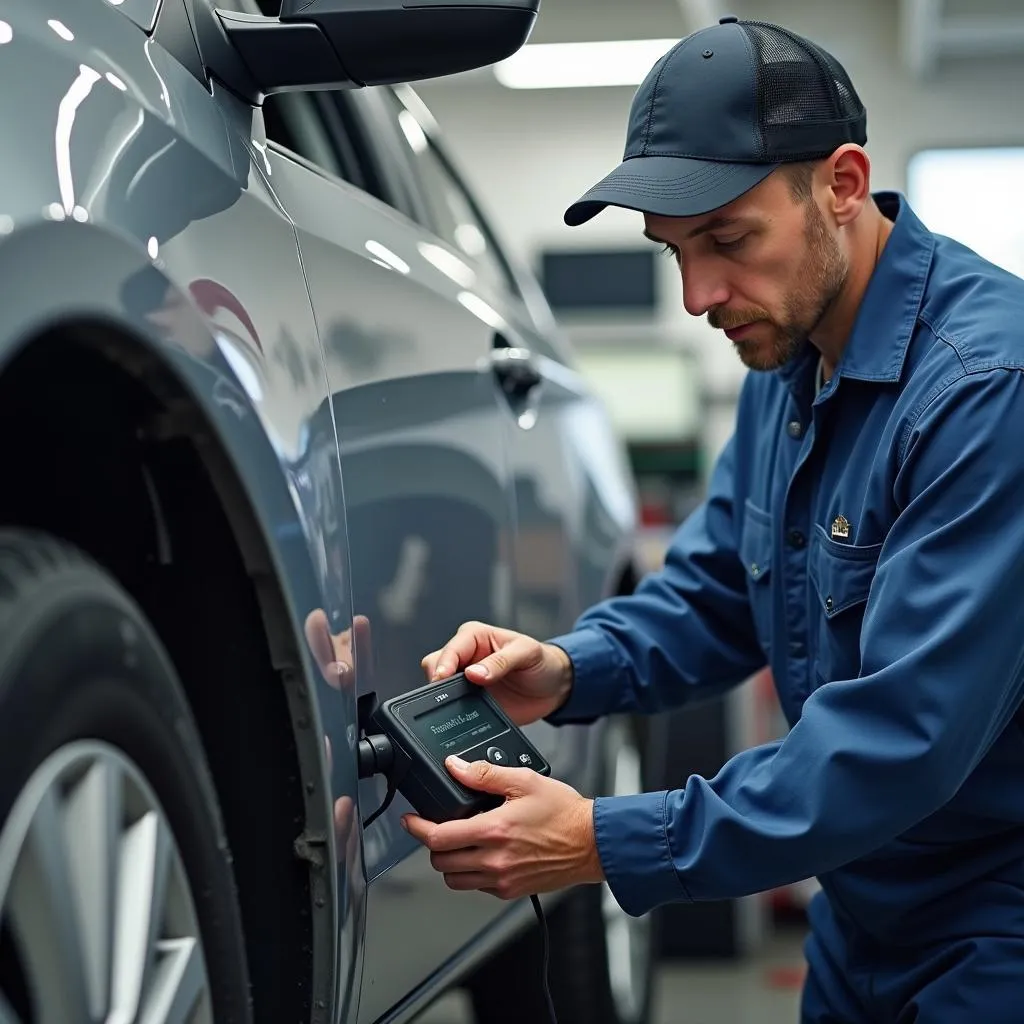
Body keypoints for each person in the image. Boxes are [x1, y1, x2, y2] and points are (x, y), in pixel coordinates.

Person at [400, 16, 1024, 1023]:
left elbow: (904, 734)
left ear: (843, 183)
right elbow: (719, 589)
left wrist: (606, 837)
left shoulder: (987, 392)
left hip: (996, 925)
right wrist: (566, 667)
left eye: (729, 242)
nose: (699, 296)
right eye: (673, 252)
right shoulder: (787, 358)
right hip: (859, 911)